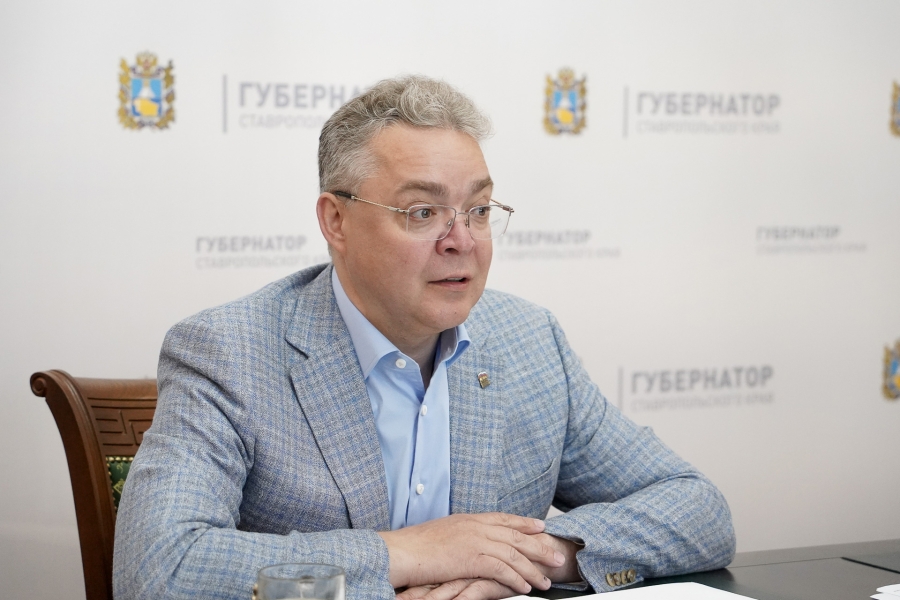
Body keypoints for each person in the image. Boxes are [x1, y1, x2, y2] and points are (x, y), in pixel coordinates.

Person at [113, 75, 735, 600]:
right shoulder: (229, 352)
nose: (460, 240)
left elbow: (696, 508)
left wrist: (532, 556)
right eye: (422, 213)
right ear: (336, 220)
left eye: (479, 210)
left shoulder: (529, 342)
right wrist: (407, 555)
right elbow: (159, 567)